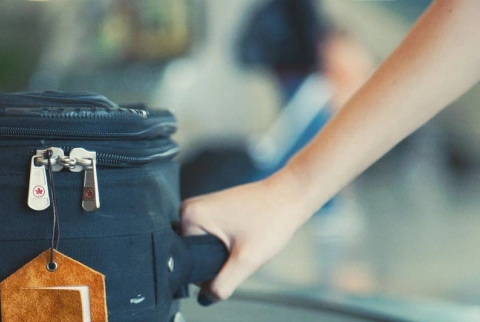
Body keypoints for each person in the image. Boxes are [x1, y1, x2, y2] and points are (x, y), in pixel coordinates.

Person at [180, 0, 480, 304]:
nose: (363, 77)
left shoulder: (312, 109)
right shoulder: (309, 107)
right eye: (358, 72)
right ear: (329, 55)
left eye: (366, 73)